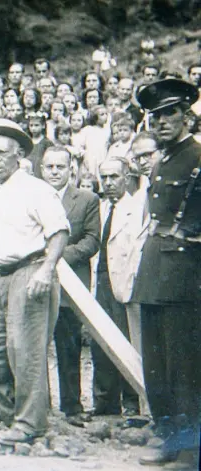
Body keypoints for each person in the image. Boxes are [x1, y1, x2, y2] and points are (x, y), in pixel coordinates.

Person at [0, 119, 70, 445]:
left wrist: (46, 270)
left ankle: (29, 422)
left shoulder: (36, 189)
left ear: (19, 154)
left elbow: (60, 231)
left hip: (30, 271)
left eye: (0, 153)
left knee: (25, 351)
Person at [130, 79, 201, 468]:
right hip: (155, 269)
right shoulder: (160, 160)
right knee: (157, 366)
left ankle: (192, 451)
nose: (161, 122)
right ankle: (172, 441)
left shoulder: (198, 157)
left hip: (186, 274)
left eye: (170, 113)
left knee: (185, 367)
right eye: (155, 116)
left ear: (186, 115)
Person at [40, 146, 100, 427]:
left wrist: (57, 255)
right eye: (49, 167)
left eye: (59, 167)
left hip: (70, 286)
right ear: (42, 169)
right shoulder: (33, 197)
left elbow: (91, 239)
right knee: (36, 347)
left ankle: (72, 407)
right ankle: (40, 407)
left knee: (68, 346)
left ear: (70, 170)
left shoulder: (86, 199)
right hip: (37, 282)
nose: (54, 172)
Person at [91, 157, 142, 421]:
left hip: (123, 281)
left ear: (127, 178)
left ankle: (132, 401)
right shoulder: (98, 208)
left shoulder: (136, 209)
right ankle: (104, 401)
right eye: (105, 178)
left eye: (114, 177)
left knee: (126, 339)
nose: (109, 183)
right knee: (100, 340)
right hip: (99, 279)